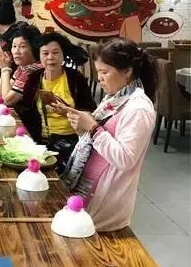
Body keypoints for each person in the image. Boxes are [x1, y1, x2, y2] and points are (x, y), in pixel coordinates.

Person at [60, 39, 157, 231]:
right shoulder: (116, 98)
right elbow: (98, 145)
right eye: (98, 72)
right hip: (87, 189)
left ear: (127, 71)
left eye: (105, 72)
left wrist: (93, 128)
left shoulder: (138, 108)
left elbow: (125, 158)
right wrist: (83, 131)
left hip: (105, 202)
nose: (100, 79)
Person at [8, 32, 96, 172]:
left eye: (55, 52)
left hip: (70, 141)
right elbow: (26, 111)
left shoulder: (75, 78)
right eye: (45, 53)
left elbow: (90, 111)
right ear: (39, 56)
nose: (50, 57)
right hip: (39, 141)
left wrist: (67, 111)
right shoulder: (34, 78)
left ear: (63, 55)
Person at [0, 24, 42, 109]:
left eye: (22, 46)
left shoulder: (32, 70)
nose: (16, 51)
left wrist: (5, 69)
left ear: (33, 48)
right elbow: (1, 96)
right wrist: (4, 68)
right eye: (14, 46)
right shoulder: (22, 68)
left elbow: (6, 101)